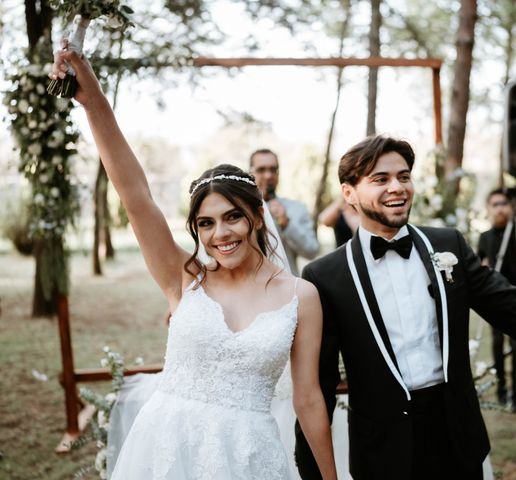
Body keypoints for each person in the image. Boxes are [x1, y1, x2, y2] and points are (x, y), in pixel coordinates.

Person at [51, 44, 337, 479]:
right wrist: (92, 99)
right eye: (205, 224)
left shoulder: (302, 296)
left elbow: (309, 399)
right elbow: (135, 196)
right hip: (167, 448)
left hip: (249, 457)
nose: (219, 234)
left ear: (257, 217)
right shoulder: (184, 279)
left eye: (232, 217)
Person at [294, 135, 516, 479]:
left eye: (404, 176)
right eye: (380, 179)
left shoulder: (448, 246)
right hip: (382, 451)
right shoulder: (326, 276)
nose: (397, 187)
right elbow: (316, 387)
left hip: (457, 438)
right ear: (349, 193)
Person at [477, 188, 516, 411]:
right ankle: (501, 390)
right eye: (495, 204)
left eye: (504, 203)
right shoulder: (485, 237)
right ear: (488, 209)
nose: (500, 208)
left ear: (511, 207)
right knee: (497, 344)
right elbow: (479, 262)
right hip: (495, 299)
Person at [250, 149, 320, 275]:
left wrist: (286, 223)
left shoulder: (296, 208)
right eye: (261, 170)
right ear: (250, 173)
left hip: (288, 287)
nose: (268, 175)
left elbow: (312, 251)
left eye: (273, 170)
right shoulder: (240, 212)